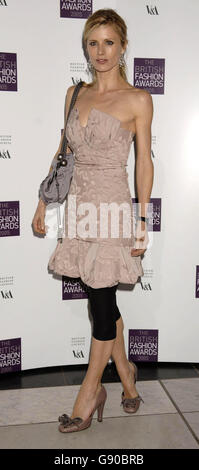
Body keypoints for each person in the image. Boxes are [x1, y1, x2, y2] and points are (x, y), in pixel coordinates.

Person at [32, 8, 153, 433]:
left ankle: (89, 393)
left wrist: (143, 218)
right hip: (79, 208)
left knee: (101, 306)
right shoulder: (74, 92)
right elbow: (62, 153)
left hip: (112, 208)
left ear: (123, 46)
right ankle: (128, 380)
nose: (100, 51)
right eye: (92, 42)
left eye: (108, 42)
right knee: (101, 301)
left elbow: (143, 164)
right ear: (85, 47)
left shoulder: (138, 98)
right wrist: (44, 203)